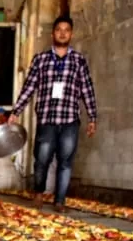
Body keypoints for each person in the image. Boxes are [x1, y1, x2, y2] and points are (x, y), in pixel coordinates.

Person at [9, 15, 97, 213]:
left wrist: (92, 117)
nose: (63, 33)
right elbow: (29, 87)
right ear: (53, 34)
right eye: (59, 30)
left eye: (67, 30)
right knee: (42, 159)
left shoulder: (78, 60)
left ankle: (60, 201)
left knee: (65, 162)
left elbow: (87, 89)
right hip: (47, 119)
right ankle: (39, 194)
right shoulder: (41, 59)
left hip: (70, 121)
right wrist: (16, 111)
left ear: (71, 34)